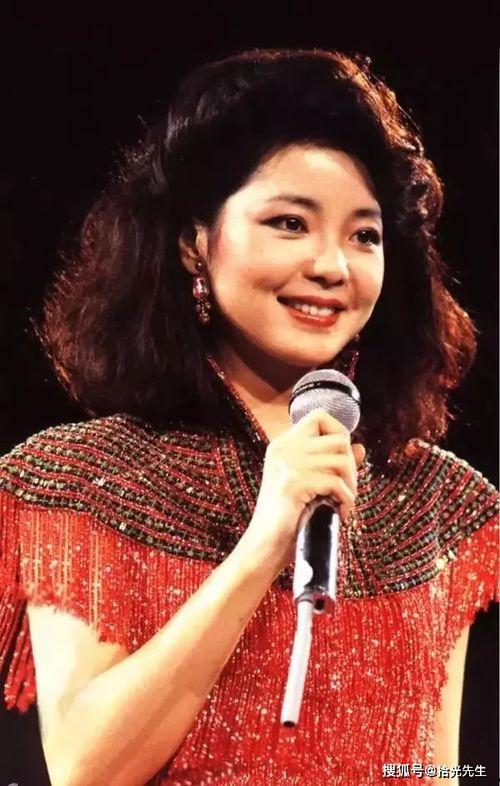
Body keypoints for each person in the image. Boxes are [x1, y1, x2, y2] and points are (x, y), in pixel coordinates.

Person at [0, 47, 498, 786]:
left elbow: (430, 772)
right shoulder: (78, 481)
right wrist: (266, 539)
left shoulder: (436, 504)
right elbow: (85, 769)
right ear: (195, 244)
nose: (332, 266)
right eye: (290, 223)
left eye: (364, 235)